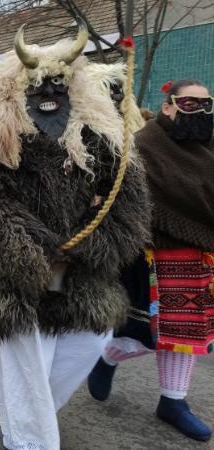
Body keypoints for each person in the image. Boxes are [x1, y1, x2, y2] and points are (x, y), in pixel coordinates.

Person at [0, 25, 150, 449]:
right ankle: (27, 440)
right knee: (28, 370)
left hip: (85, 279)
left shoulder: (104, 140)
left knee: (82, 349)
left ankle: (26, 422)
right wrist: (38, 251)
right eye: (37, 82)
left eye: (58, 82)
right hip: (17, 280)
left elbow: (129, 206)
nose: (48, 90)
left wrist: (86, 245)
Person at [87, 80, 214, 442]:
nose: (200, 111)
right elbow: (125, 200)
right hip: (154, 256)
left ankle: (173, 401)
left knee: (189, 336)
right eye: (191, 103)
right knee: (146, 336)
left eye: (207, 105)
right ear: (169, 106)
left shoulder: (211, 148)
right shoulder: (143, 146)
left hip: (202, 257)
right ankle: (107, 357)